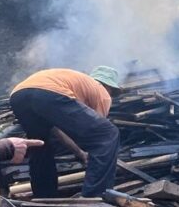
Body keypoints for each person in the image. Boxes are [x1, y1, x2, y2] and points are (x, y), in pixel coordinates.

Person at [9, 67, 122, 198]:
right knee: (108, 134)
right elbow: (99, 137)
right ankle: (95, 196)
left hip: (18, 96)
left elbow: (56, 130)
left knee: (40, 145)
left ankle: (44, 197)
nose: (111, 95)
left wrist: (79, 153)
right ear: (109, 87)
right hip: (48, 92)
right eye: (112, 92)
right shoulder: (102, 91)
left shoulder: (76, 83)